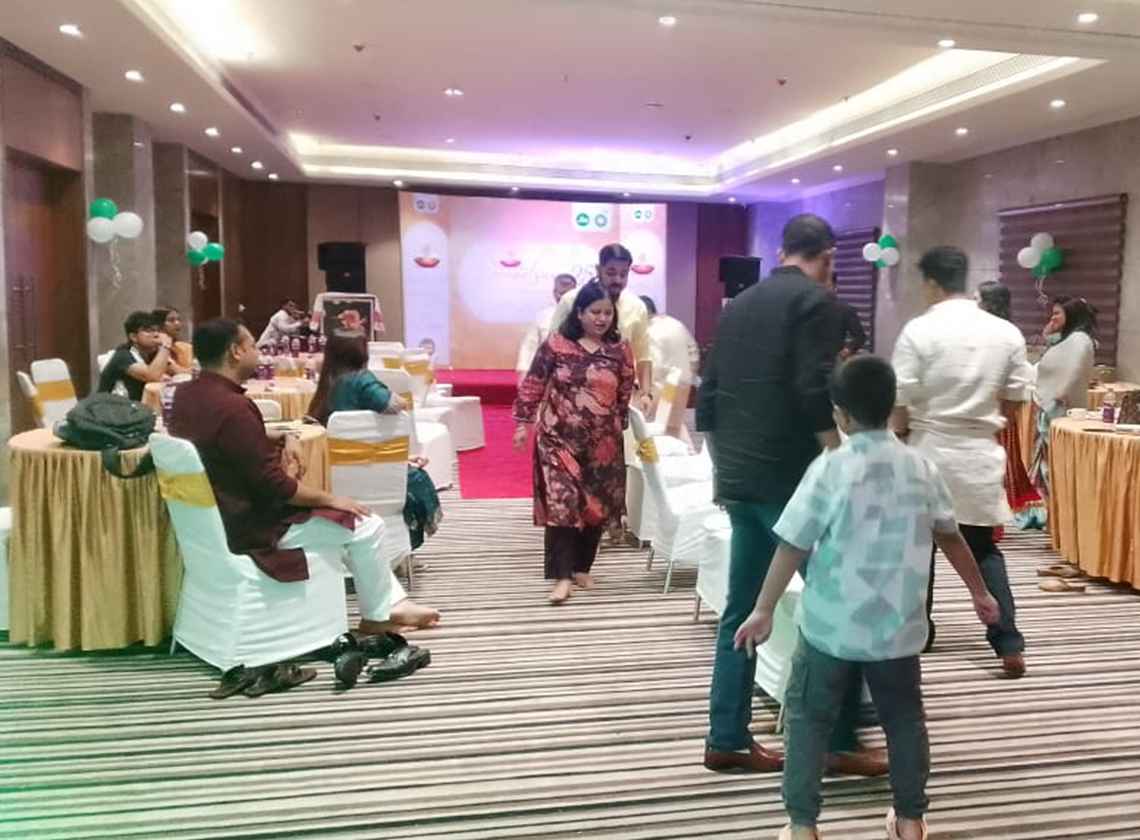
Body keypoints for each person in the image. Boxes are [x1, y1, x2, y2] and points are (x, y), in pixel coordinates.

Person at [734, 356, 1001, 840]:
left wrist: (764, 608)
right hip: (898, 628)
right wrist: (980, 593)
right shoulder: (920, 466)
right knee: (904, 722)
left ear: (840, 413)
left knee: (808, 721)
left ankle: (802, 825)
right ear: (892, 406)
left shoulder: (830, 468)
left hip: (830, 626)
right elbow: (951, 535)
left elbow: (793, 543)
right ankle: (910, 820)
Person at [697, 213, 884, 777]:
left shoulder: (739, 304)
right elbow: (810, 388)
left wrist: (724, 472)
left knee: (742, 608)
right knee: (842, 602)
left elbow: (709, 395)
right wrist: (839, 456)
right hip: (791, 482)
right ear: (827, 256)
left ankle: (727, 735)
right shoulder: (817, 303)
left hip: (741, 477)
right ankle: (836, 739)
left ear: (782, 251)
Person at [169, 319, 440, 660]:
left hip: (211, 523)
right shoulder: (234, 407)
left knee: (349, 526)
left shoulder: (187, 395)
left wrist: (281, 435)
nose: (257, 352)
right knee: (365, 524)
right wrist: (333, 498)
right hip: (254, 527)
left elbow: (223, 439)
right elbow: (276, 487)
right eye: (251, 345)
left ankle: (392, 604)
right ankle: (377, 616)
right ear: (235, 352)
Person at [891, 247, 1032, 677]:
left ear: (931, 283)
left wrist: (901, 436)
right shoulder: (1005, 332)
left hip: (927, 448)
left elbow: (899, 399)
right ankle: (1007, 642)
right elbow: (1016, 400)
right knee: (983, 549)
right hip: (978, 453)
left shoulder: (919, 330)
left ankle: (920, 633)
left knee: (920, 550)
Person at [513, 280, 635, 605]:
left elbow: (625, 391)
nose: (602, 318)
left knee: (595, 506)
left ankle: (582, 568)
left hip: (602, 444)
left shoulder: (620, 349)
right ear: (579, 313)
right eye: (595, 312)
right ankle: (562, 576)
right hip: (557, 439)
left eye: (607, 312)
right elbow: (534, 383)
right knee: (562, 504)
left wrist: (618, 424)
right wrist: (523, 423)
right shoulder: (557, 345)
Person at [307, 334, 442, 550]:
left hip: (334, 478)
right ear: (362, 353)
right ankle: (403, 547)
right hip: (374, 477)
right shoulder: (361, 379)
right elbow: (392, 403)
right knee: (417, 479)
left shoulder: (328, 383)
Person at [549, 244, 653, 411]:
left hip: (616, 399)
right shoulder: (571, 300)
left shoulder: (636, 307)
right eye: (611, 273)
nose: (617, 280)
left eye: (623, 274)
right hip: (570, 399)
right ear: (598, 269)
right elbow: (551, 350)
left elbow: (643, 355)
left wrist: (646, 393)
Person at [975, 282, 1045, 530]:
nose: (974, 305)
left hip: (993, 408)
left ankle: (991, 520)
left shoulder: (997, 334)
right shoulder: (1004, 332)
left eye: (977, 300)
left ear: (989, 304)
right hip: (994, 407)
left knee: (992, 465)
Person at [1028, 297, 1096, 505]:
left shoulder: (1080, 340)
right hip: (1048, 406)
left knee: (1056, 461)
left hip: (1061, 409)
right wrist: (1047, 334)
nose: (1052, 317)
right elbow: (1047, 358)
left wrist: (1062, 392)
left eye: (1057, 313)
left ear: (1071, 315)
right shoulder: (1065, 340)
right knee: (1046, 460)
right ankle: (1046, 506)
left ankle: (1056, 505)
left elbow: (1075, 370)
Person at [97, 310, 172, 402]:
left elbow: (178, 371)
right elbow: (152, 376)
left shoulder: (153, 354)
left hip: (137, 407)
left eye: (157, 331)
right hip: (111, 408)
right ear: (133, 337)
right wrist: (166, 346)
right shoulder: (123, 356)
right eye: (149, 331)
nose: (156, 335)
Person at [516, 273, 578, 382]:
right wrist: (524, 375)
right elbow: (529, 347)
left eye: (568, 294)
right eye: (561, 293)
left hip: (576, 374)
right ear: (554, 293)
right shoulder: (542, 316)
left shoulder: (585, 317)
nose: (564, 298)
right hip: (545, 372)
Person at [640, 294, 700, 394]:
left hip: (665, 390)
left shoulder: (649, 332)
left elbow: (655, 367)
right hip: (686, 386)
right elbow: (694, 354)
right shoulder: (677, 323)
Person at [826, 273, 867, 358]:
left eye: (827, 286)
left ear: (835, 287)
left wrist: (847, 350)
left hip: (834, 360)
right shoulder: (809, 308)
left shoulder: (844, 309)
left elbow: (860, 337)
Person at [154, 306, 194, 373]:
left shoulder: (182, 346)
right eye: (171, 320)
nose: (177, 323)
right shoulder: (154, 346)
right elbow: (175, 370)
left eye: (179, 319)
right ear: (159, 324)